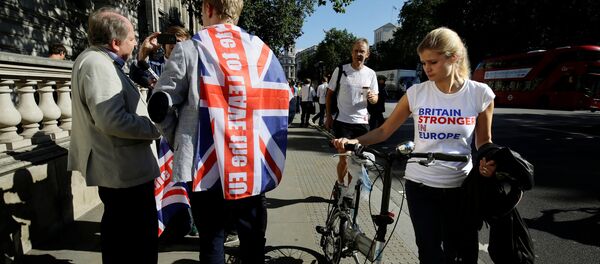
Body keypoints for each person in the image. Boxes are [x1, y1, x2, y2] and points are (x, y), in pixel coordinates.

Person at [332, 27, 496, 264]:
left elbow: (484, 142)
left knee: (460, 252)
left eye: (433, 62)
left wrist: (487, 163)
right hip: (421, 186)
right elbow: (384, 130)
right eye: (423, 62)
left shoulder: (480, 94)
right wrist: (354, 141)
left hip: (461, 187)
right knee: (428, 252)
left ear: (454, 57)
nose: (426, 68)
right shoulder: (416, 93)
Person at [148, 0, 290, 263]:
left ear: (208, 8)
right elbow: (282, 103)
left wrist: (177, 139)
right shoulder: (262, 51)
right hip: (251, 164)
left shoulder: (190, 49)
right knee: (252, 240)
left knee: (212, 240)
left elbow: (161, 106)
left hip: (204, 165)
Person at [68, 7, 161, 264]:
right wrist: (154, 127)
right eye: (132, 38)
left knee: (122, 240)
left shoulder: (99, 60)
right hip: (124, 173)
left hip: (122, 170)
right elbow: (112, 120)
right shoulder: (97, 64)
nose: (134, 42)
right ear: (115, 42)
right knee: (133, 244)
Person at [325, 38, 378, 185]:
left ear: (367, 54)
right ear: (352, 53)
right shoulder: (341, 70)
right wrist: (328, 116)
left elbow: (375, 99)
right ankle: (341, 184)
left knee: (356, 162)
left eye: (362, 51)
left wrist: (373, 98)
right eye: (356, 51)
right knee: (345, 158)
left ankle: (349, 192)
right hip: (343, 122)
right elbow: (329, 94)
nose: (358, 54)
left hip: (362, 124)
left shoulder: (371, 74)